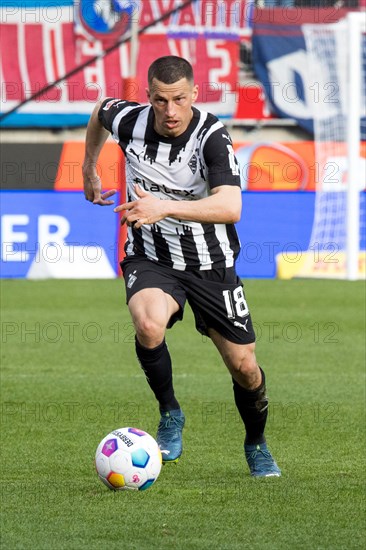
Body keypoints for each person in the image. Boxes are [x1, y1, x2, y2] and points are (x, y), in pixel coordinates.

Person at [83, 55, 281, 477]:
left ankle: (256, 443)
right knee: (148, 323)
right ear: (149, 97)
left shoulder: (211, 135)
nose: (169, 111)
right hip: (151, 257)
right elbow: (100, 111)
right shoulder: (130, 120)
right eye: (159, 101)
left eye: (178, 100)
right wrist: (89, 169)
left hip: (211, 263)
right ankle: (170, 413)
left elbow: (231, 206)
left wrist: (164, 207)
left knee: (245, 367)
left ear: (193, 94)